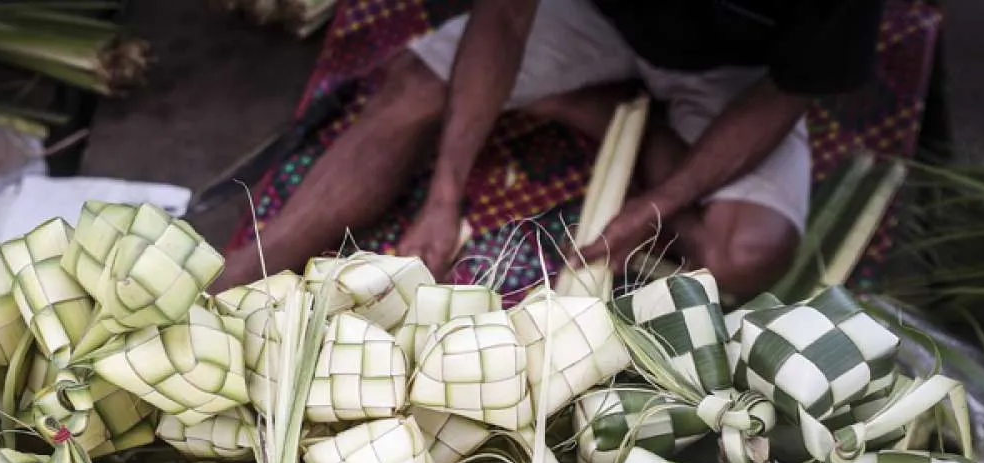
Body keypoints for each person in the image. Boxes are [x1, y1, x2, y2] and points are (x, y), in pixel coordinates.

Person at [217, 0, 886, 300]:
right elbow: (505, 14)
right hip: (598, 15)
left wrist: (655, 206)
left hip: (738, 69)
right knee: (414, 89)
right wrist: (444, 195)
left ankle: (604, 116)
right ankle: (252, 263)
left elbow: (788, 91)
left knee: (742, 255)